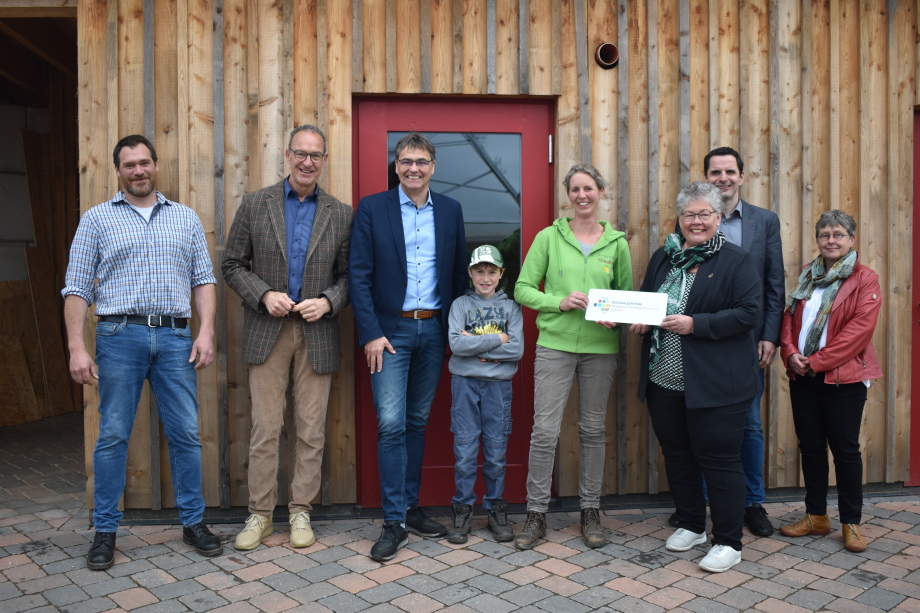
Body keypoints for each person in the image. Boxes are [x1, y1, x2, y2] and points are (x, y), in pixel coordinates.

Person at [62, 135, 222, 570]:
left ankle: (194, 522)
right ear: (118, 170)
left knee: (187, 433)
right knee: (113, 435)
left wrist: (205, 331)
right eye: (129, 164)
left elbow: (202, 280)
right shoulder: (97, 220)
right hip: (119, 336)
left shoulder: (184, 219)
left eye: (144, 162)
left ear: (156, 165)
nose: (138, 170)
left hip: (174, 338)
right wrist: (77, 348)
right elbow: (76, 288)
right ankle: (105, 531)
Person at [222, 125, 353, 551]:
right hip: (268, 329)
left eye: (315, 155)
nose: (307, 162)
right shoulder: (255, 204)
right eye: (300, 153)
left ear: (325, 160)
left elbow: (352, 276)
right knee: (265, 426)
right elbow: (232, 264)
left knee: (311, 430)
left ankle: (300, 512)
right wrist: (263, 294)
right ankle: (259, 514)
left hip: (317, 332)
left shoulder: (341, 213)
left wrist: (330, 302)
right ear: (287, 154)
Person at [349, 131, 468, 561]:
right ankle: (393, 521)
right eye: (405, 161)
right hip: (389, 335)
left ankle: (412, 508)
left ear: (433, 167)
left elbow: (457, 276)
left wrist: (454, 331)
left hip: (433, 331)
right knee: (391, 424)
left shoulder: (451, 211)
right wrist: (370, 333)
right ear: (396, 166)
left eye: (421, 161)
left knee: (417, 422)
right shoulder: (373, 209)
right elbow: (358, 276)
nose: (413, 168)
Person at [632, 181, 761, 573]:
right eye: (689, 214)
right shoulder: (664, 257)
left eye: (705, 214)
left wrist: (695, 324)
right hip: (665, 380)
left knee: (720, 461)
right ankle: (691, 524)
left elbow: (748, 313)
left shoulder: (736, 260)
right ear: (680, 219)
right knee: (678, 456)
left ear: (719, 218)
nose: (697, 221)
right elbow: (648, 299)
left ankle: (728, 540)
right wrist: (640, 319)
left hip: (717, 384)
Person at [513, 163, 632, 550]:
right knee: (544, 431)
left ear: (600, 191)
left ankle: (590, 511)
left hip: (600, 350)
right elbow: (522, 289)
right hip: (555, 346)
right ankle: (535, 514)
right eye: (575, 189)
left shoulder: (616, 243)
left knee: (592, 431)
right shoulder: (549, 237)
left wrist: (617, 316)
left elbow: (626, 298)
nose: (582, 195)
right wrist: (558, 301)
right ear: (569, 195)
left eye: (588, 188)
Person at [668, 147, 784, 536]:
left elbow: (773, 285)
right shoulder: (686, 223)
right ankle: (699, 506)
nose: (723, 178)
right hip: (696, 348)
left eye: (729, 171)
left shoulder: (763, 222)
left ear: (741, 175)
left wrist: (771, 335)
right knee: (698, 428)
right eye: (715, 172)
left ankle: (751, 504)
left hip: (747, 345)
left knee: (748, 426)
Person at [778, 210, 882, 553]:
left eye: (838, 234)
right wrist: (790, 352)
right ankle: (816, 516)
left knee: (845, 450)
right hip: (804, 375)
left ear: (851, 239)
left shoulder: (865, 279)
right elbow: (791, 318)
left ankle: (851, 522)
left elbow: (858, 332)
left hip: (844, 379)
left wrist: (815, 362)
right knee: (810, 446)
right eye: (825, 234)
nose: (831, 240)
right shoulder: (809, 274)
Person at [445, 245, 524, 544]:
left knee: (495, 450)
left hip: (498, 387)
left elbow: (515, 349)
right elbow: (456, 346)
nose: (485, 277)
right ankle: (462, 509)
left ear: (502, 274)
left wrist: (475, 343)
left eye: (492, 271)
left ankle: (495, 508)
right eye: (480, 271)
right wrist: (496, 340)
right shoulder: (460, 306)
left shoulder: (511, 308)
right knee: (464, 450)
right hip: (464, 385)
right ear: (470, 273)